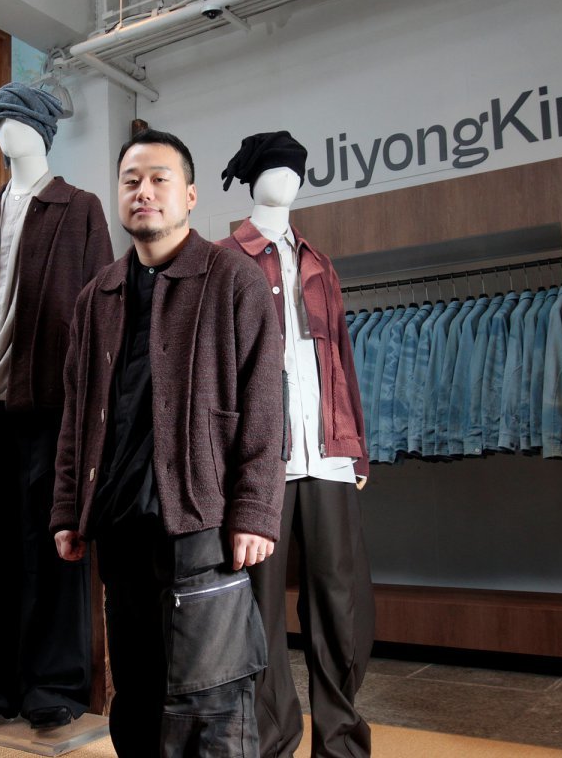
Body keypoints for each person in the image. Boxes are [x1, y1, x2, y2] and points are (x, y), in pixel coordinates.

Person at [50, 128, 285, 756]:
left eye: (159, 179)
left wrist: (255, 511)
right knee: (136, 697)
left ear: (190, 195)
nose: (144, 192)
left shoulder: (233, 279)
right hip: (120, 527)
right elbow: (77, 417)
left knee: (211, 703)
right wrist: (70, 508)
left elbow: (266, 403)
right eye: (131, 181)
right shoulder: (96, 296)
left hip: (201, 522)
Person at [0, 82, 112, 730]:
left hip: (51, 409)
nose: (1, 130)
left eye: (11, 118)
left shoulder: (80, 209)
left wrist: (92, 409)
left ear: (41, 129)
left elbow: (103, 313)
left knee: (54, 548)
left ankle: (54, 685)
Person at [219, 131, 375, 758]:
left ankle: (340, 741)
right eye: (276, 168)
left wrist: (355, 444)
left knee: (340, 601)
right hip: (262, 462)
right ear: (251, 178)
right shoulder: (224, 260)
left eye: (296, 170)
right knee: (259, 604)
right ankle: (270, 740)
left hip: (328, 454)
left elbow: (341, 358)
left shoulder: (318, 263)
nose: (288, 180)